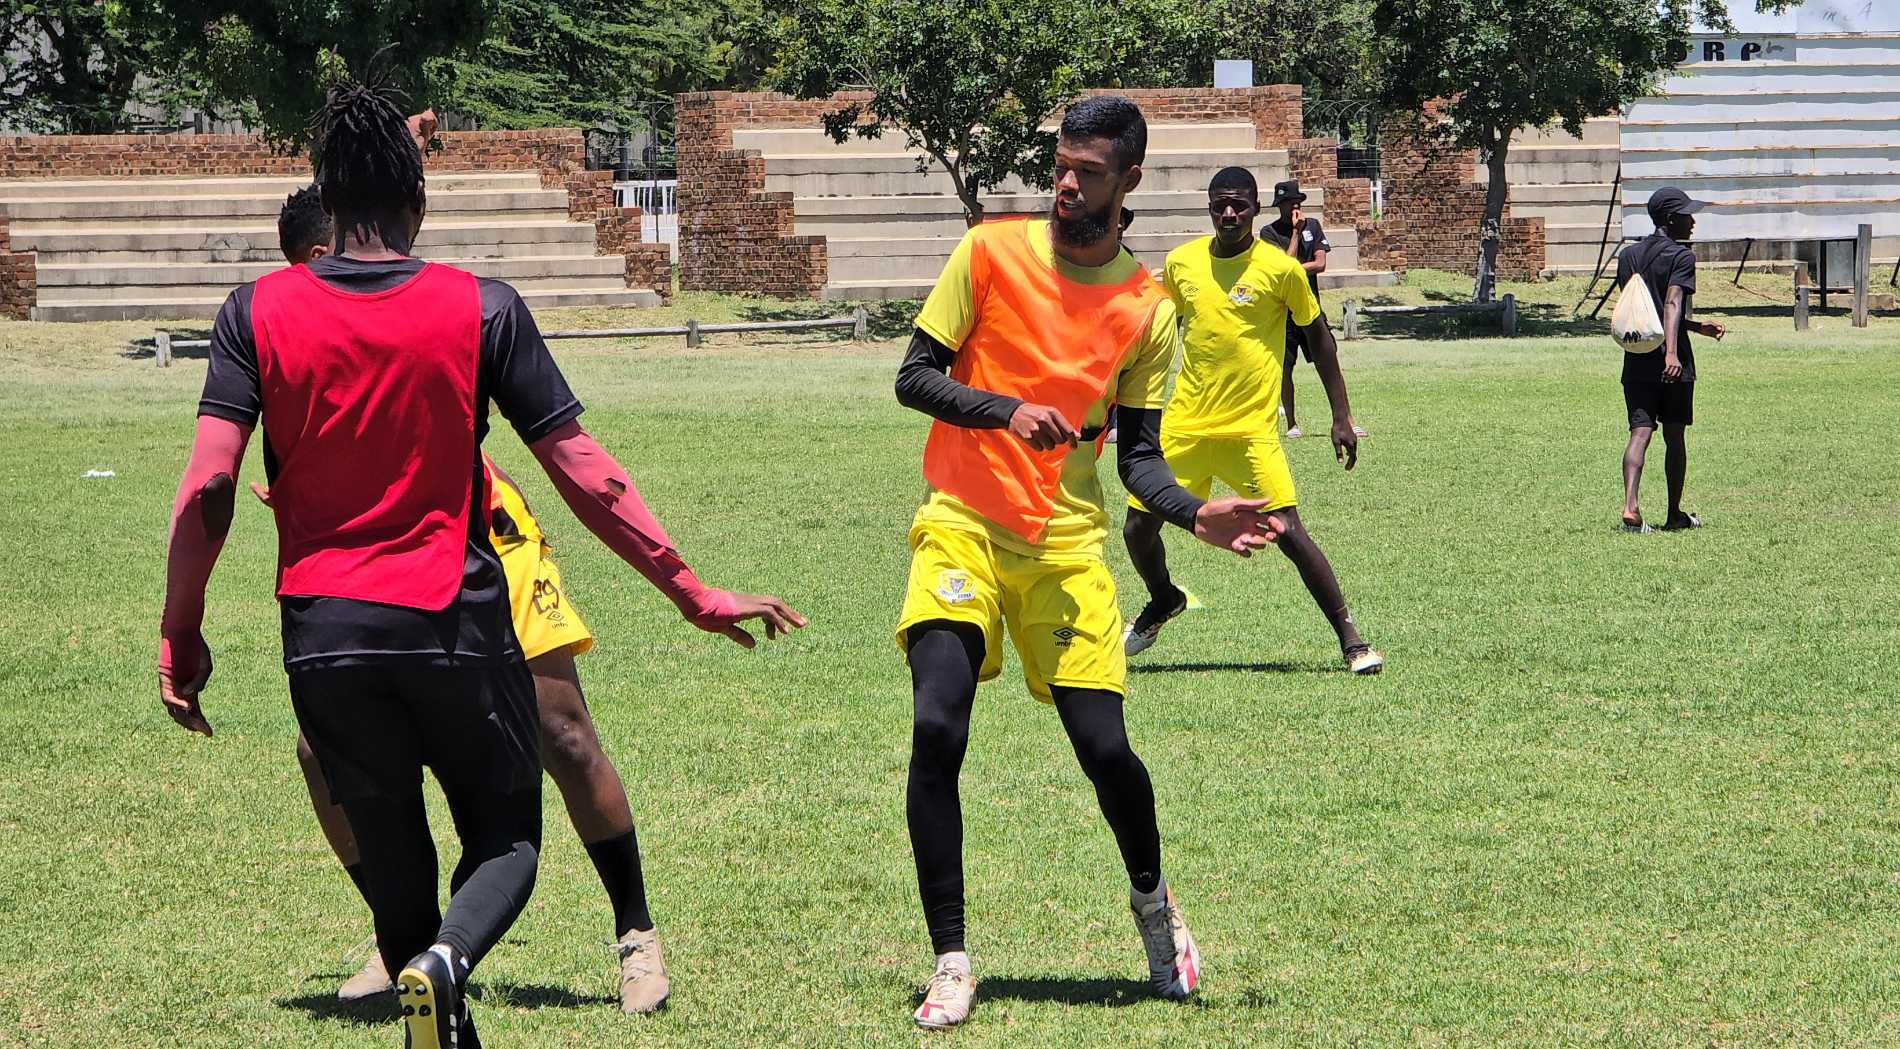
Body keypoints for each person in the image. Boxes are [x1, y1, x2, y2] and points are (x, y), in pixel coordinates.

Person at [159, 80, 802, 1049]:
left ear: (327, 207)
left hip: (324, 638)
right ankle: (448, 960)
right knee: (505, 840)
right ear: (419, 204)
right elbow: (588, 474)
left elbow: (209, 486)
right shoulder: (482, 307)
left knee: (399, 875)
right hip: (450, 621)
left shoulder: (252, 312)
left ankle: (434, 967)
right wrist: (690, 588)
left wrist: (180, 630)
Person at [892, 97, 1286, 1030]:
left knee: (1104, 750)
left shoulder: (1146, 310)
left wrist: (1196, 514)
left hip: (1066, 545)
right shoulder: (988, 251)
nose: (1067, 183)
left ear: (1130, 181)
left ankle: (1155, 908)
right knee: (937, 726)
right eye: (1060, 164)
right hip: (959, 523)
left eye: (1089, 170)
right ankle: (951, 959)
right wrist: (1003, 409)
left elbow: (1140, 456)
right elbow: (913, 373)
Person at [272, 185, 678, 1014]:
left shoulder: (414, 297)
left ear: (326, 255)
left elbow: (562, 447)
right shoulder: (295, 321)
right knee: (323, 755)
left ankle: (636, 931)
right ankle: (411, 941)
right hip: (370, 577)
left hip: (481, 546)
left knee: (561, 731)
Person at [1122, 168, 1383, 675]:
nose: (1229, 214)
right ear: (1209, 205)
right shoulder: (1181, 264)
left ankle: (1352, 640)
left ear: (1256, 208)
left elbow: (1320, 340)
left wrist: (1341, 415)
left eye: (1239, 205)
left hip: (1249, 432)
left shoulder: (1280, 269)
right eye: (1221, 204)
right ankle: (1163, 599)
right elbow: (1144, 326)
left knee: (1288, 531)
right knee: (1137, 528)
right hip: (1185, 426)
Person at [1617, 186, 1724, 533]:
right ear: (1669, 219)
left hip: (1637, 356)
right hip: (1672, 364)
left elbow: (1641, 312)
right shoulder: (1681, 256)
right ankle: (1674, 514)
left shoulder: (1628, 256)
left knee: (1640, 432)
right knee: (1674, 435)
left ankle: (1631, 506)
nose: (1692, 221)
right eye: (1686, 215)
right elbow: (1671, 303)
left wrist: (1697, 326)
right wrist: (1674, 352)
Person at [1260, 179, 1364, 440]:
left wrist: (1294, 268)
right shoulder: (1268, 234)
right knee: (1285, 368)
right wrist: (1295, 233)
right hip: (1283, 312)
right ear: (1279, 206)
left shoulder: (1314, 226)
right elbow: (1282, 268)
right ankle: (1292, 423)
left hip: (1311, 307)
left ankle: (1347, 419)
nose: (1295, 205)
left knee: (1329, 363)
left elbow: (1320, 263)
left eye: (1298, 201)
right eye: (1289, 202)